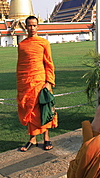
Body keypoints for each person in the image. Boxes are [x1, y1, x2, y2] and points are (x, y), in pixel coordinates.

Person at [16, 15, 57, 151]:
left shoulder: (43, 43)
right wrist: (21, 83)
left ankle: (46, 138)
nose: (32, 28)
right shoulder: (22, 45)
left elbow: (49, 63)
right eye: (29, 25)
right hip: (26, 83)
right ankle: (32, 139)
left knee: (43, 109)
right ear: (25, 27)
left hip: (40, 81)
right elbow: (20, 65)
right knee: (29, 109)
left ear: (37, 27)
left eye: (34, 25)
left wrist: (49, 82)